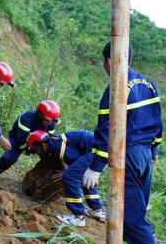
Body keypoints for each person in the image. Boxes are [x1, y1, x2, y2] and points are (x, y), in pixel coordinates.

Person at [82, 42, 163, 243]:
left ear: (109, 61)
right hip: (145, 157)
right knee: (131, 217)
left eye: (103, 61)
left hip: (127, 156)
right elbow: (157, 121)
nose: (103, 66)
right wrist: (154, 151)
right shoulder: (148, 84)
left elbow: (106, 130)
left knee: (131, 221)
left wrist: (95, 167)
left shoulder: (116, 89)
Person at [26, 130, 105, 227]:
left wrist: (66, 173)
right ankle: (96, 210)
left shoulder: (55, 146)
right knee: (86, 177)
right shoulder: (54, 142)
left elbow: (75, 159)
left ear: (40, 145)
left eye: (35, 151)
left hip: (94, 150)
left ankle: (78, 217)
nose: (38, 154)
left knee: (70, 177)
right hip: (99, 148)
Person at [0, 100, 60, 174]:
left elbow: (50, 139)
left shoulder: (51, 122)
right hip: (18, 141)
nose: (49, 123)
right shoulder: (26, 118)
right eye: (48, 120)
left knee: (51, 156)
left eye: (51, 121)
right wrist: (33, 149)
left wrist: (44, 150)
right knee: (9, 159)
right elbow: (20, 140)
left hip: (38, 144)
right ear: (40, 114)